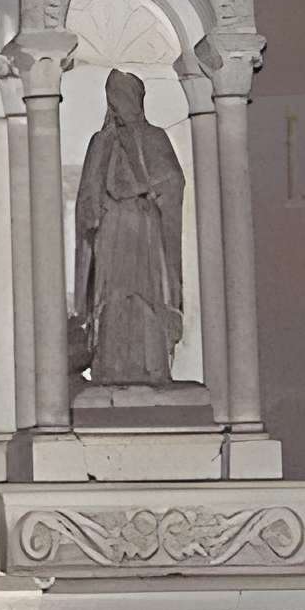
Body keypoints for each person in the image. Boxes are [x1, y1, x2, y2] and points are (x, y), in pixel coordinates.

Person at [71, 68, 187, 385]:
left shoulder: (153, 137)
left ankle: (151, 368)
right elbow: (87, 194)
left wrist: (146, 184)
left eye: (122, 97)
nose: (118, 106)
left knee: (145, 297)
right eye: (113, 99)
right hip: (111, 228)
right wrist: (93, 210)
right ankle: (110, 367)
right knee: (110, 297)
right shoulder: (101, 141)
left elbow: (173, 181)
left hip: (144, 228)